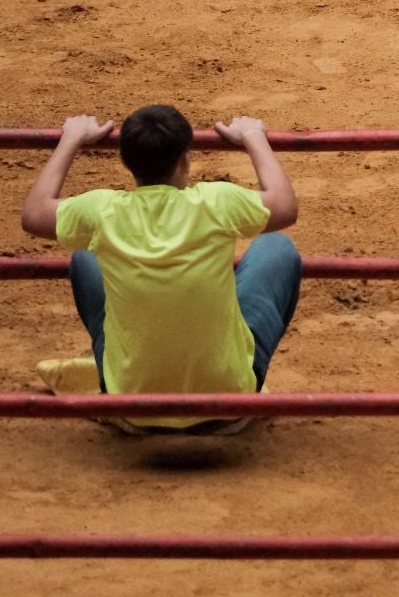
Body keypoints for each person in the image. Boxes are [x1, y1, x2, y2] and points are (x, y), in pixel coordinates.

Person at [19, 107, 302, 433]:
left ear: (126, 161)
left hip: (132, 407)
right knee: (276, 248)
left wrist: (71, 140)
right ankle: (238, 395)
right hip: (228, 403)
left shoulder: (102, 210)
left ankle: (119, 389)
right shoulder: (216, 201)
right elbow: (284, 205)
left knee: (85, 256)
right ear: (186, 158)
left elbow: (34, 214)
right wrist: (253, 137)